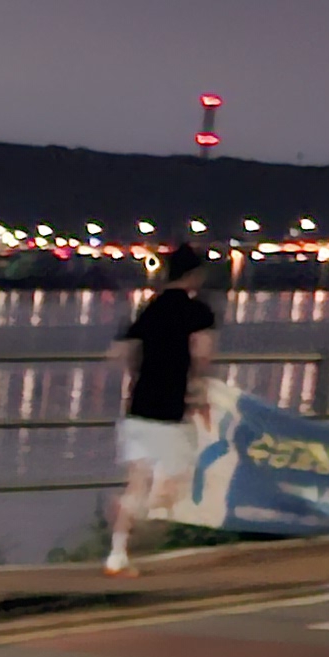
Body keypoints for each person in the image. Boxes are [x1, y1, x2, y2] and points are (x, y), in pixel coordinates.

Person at [104, 244, 217, 573]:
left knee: (137, 482)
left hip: (138, 407)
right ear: (195, 275)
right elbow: (202, 356)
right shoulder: (198, 313)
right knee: (179, 481)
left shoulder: (148, 308)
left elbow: (120, 353)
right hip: (171, 410)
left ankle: (117, 554)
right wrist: (198, 395)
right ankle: (133, 512)